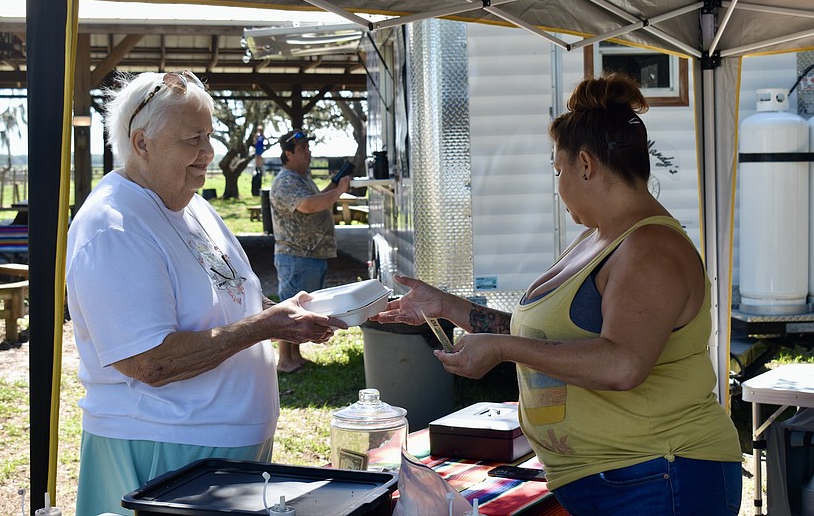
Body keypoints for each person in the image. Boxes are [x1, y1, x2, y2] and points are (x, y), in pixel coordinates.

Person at [372, 73, 743, 515]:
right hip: (621, 476)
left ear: (585, 165)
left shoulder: (651, 248)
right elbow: (552, 340)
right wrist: (448, 307)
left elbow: (623, 364)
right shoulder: (599, 237)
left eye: (558, 170)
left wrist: (502, 349)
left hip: (661, 474)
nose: (559, 183)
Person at [65, 71, 347, 516]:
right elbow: (150, 361)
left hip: (217, 445)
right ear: (142, 143)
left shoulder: (191, 204)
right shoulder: (114, 225)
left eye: (209, 136)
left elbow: (232, 299)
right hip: (164, 447)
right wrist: (267, 326)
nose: (208, 153)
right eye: (193, 139)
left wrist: (292, 314)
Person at [270, 129, 352, 373]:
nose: (308, 152)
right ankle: (285, 360)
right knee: (289, 310)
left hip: (308, 255)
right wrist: (338, 192)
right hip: (297, 256)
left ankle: (294, 355)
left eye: (308, 147)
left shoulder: (300, 179)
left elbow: (316, 198)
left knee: (301, 310)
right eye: (302, 149)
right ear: (288, 153)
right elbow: (307, 205)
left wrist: (334, 185)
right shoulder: (286, 181)